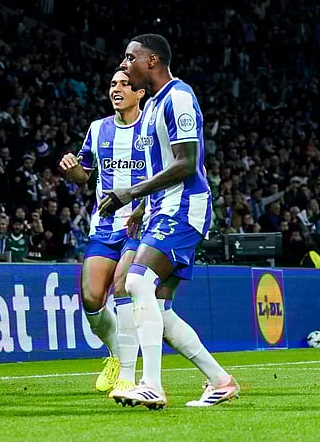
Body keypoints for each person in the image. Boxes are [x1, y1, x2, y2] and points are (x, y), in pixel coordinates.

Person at [99, 34, 238, 409]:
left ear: (152, 61)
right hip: (162, 208)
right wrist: (143, 206)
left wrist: (131, 193)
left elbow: (186, 163)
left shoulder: (178, 97)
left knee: (136, 281)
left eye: (131, 57)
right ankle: (220, 381)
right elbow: (160, 165)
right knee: (160, 309)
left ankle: (151, 384)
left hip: (183, 207)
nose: (125, 64)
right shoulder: (153, 106)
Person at [58, 70, 148, 395]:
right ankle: (117, 354)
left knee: (123, 285)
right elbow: (85, 175)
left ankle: (128, 374)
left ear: (140, 93)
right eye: (112, 84)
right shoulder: (98, 129)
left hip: (140, 225)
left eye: (124, 84)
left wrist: (143, 206)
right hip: (104, 226)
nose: (116, 89)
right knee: (91, 298)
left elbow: (167, 173)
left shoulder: (151, 128)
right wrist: (72, 171)